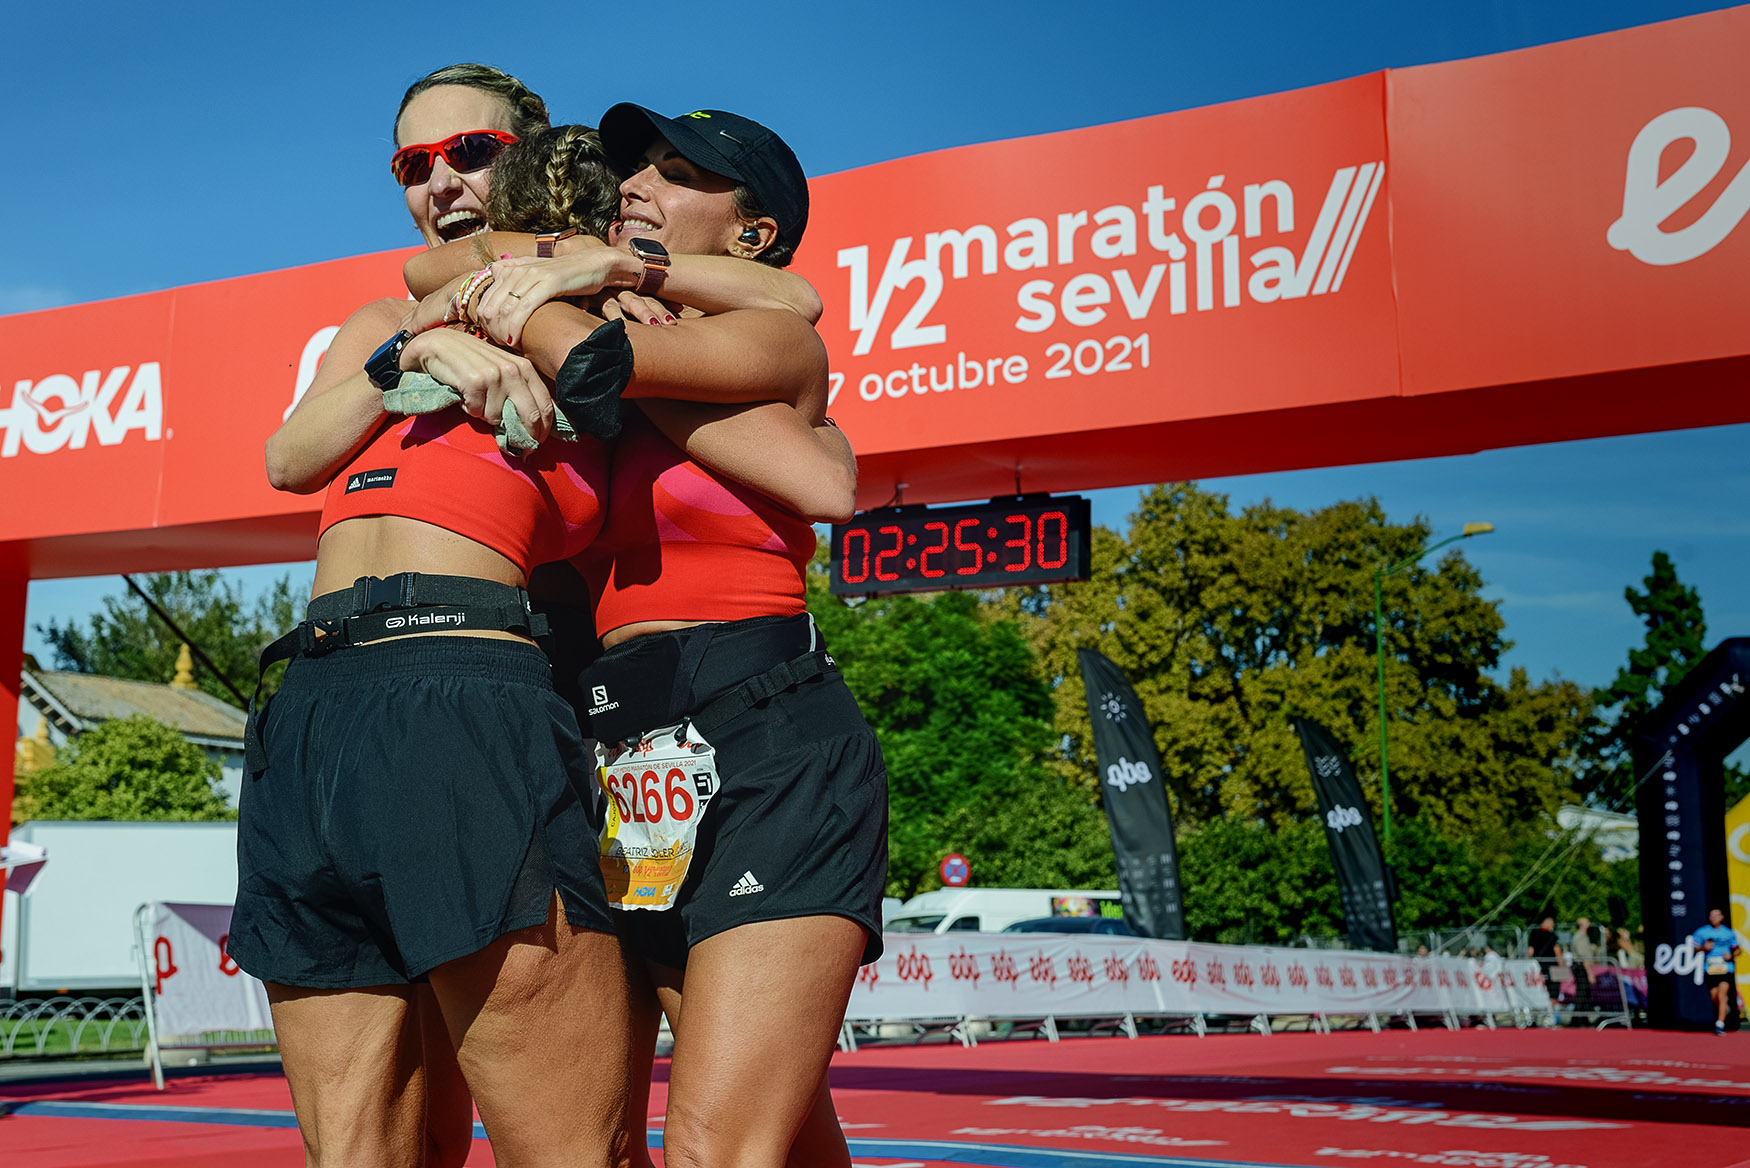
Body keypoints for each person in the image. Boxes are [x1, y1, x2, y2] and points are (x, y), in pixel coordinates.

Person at [244, 70, 855, 1168]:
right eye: (411, 166)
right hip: (508, 730)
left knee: (705, 1140)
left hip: (707, 719)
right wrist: (427, 340)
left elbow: (810, 412)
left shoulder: (626, 320)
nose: (442, 183)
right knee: (396, 1141)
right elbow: (299, 444)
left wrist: (594, 282)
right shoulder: (432, 307)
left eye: (472, 153)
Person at [455, 104, 889, 1167]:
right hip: (627, 753)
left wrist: (545, 287)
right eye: (636, 166)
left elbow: (602, 362)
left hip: (768, 737)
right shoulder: (606, 298)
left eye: (681, 172)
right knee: (786, 1136)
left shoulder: (774, 336)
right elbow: (437, 275)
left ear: (750, 232)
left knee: (710, 1147)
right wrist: (455, 314)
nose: (641, 182)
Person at [1691, 907, 1741, 1035]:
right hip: (1710, 969)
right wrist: (1704, 947)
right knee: (1715, 996)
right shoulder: (1702, 932)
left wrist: (1731, 956)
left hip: (1726, 968)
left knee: (1722, 994)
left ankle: (1720, 1024)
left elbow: (1737, 950)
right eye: (1711, 916)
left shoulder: (1728, 933)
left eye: (1716, 915)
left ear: (1722, 917)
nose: (1714, 918)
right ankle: (1724, 1009)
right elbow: (1694, 950)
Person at [1527, 916, 1562, 1000]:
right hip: (1552, 965)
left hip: (1537, 966)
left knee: (1539, 987)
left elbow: (1530, 951)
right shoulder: (1552, 935)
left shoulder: (1534, 934)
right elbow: (1557, 950)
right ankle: (1550, 1010)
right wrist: (1561, 964)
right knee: (1554, 990)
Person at [1569, 916, 1599, 1013]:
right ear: (1582, 925)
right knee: (1582, 992)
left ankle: (1583, 1017)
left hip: (1582, 966)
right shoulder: (1580, 937)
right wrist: (1590, 973)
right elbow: (1583, 957)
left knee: (1584, 992)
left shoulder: (1583, 936)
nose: (1589, 924)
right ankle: (1578, 1018)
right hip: (1581, 967)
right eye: (1587, 922)